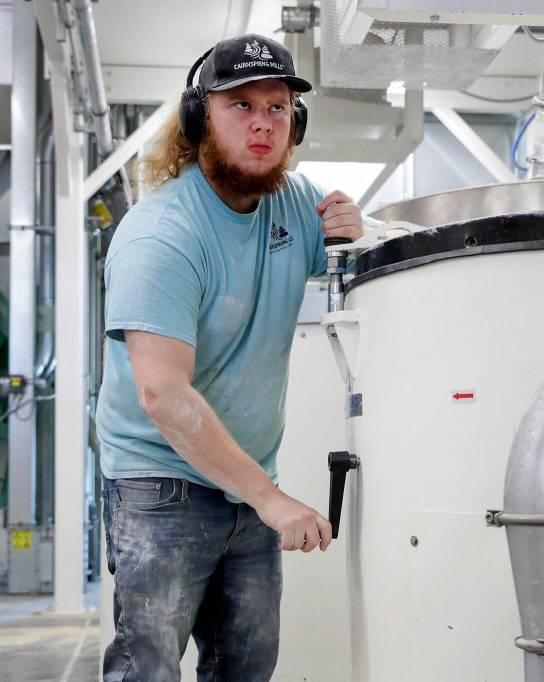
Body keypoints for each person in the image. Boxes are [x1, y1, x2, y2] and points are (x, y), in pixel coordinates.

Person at [95, 34, 363, 681]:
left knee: (245, 666)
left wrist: (354, 227)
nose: (263, 122)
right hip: (159, 484)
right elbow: (164, 394)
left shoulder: (295, 204)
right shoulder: (163, 235)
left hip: (243, 482)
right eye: (240, 105)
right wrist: (270, 499)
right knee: (148, 668)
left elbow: (345, 253)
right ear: (198, 122)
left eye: (277, 106)